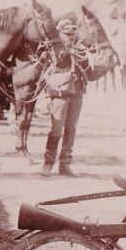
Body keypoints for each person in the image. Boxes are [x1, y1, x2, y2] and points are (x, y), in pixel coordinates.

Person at [42, 19, 87, 177]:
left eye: (73, 35)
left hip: (77, 92)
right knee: (56, 129)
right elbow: (46, 70)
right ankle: (48, 163)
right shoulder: (53, 51)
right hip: (60, 93)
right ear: (60, 34)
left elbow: (89, 71)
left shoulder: (80, 50)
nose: (70, 38)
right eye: (67, 34)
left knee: (71, 129)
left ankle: (65, 164)